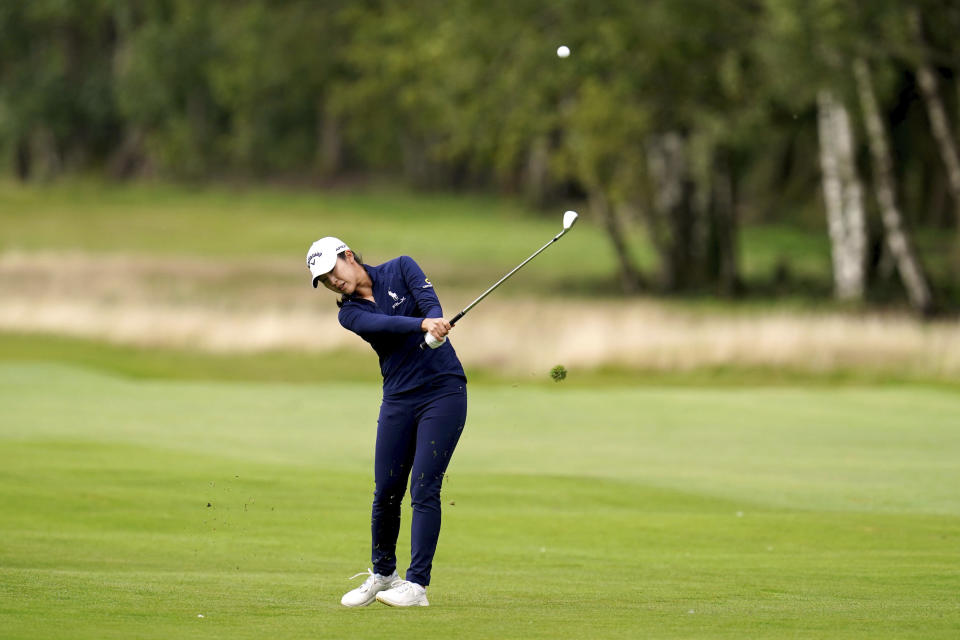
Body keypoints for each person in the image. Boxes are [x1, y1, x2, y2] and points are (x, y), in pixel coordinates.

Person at [306, 236, 468, 608]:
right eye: (324, 281)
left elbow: (429, 303)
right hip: (398, 398)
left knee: (425, 486)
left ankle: (417, 586)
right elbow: (385, 324)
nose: (332, 282)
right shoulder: (349, 314)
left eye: (332, 271)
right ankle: (383, 575)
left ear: (349, 256)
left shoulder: (402, 267)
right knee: (386, 491)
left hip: (443, 391)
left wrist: (434, 322)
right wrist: (422, 325)